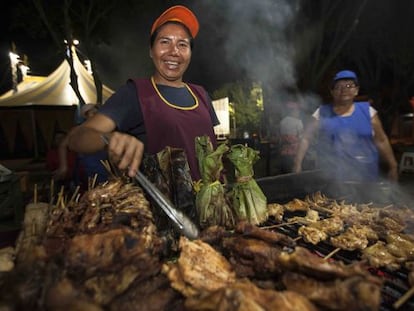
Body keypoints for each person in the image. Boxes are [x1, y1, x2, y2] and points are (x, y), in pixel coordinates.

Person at [66, 5, 219, 182]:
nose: (174, 51)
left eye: (182, 44)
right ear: (151, 51)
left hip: (211, 206)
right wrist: (109, 138)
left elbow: (213, 150)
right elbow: (76, 138)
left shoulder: (201, 95)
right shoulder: (135, 94)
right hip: (162, 206)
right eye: (164, 42)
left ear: (190, 53)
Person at [293, 70, 398, 182]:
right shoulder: (321, 113)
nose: (344, 90)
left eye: (349, 85)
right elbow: (306, 138)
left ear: (356, 90)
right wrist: (297, 164)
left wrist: (393, 165)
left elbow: (381, 140)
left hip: (366, 177)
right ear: (332, 92)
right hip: (331, 179)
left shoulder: (368, 112)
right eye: (338, 87)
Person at [279, 100, 303, 173]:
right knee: (294, 174)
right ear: (293, 111)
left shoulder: (282, 122)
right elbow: (301, 138)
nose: (298, 112)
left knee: (285, 173)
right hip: (295, 153)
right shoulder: (298, 122)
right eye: (297, 110)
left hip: (284, 152)